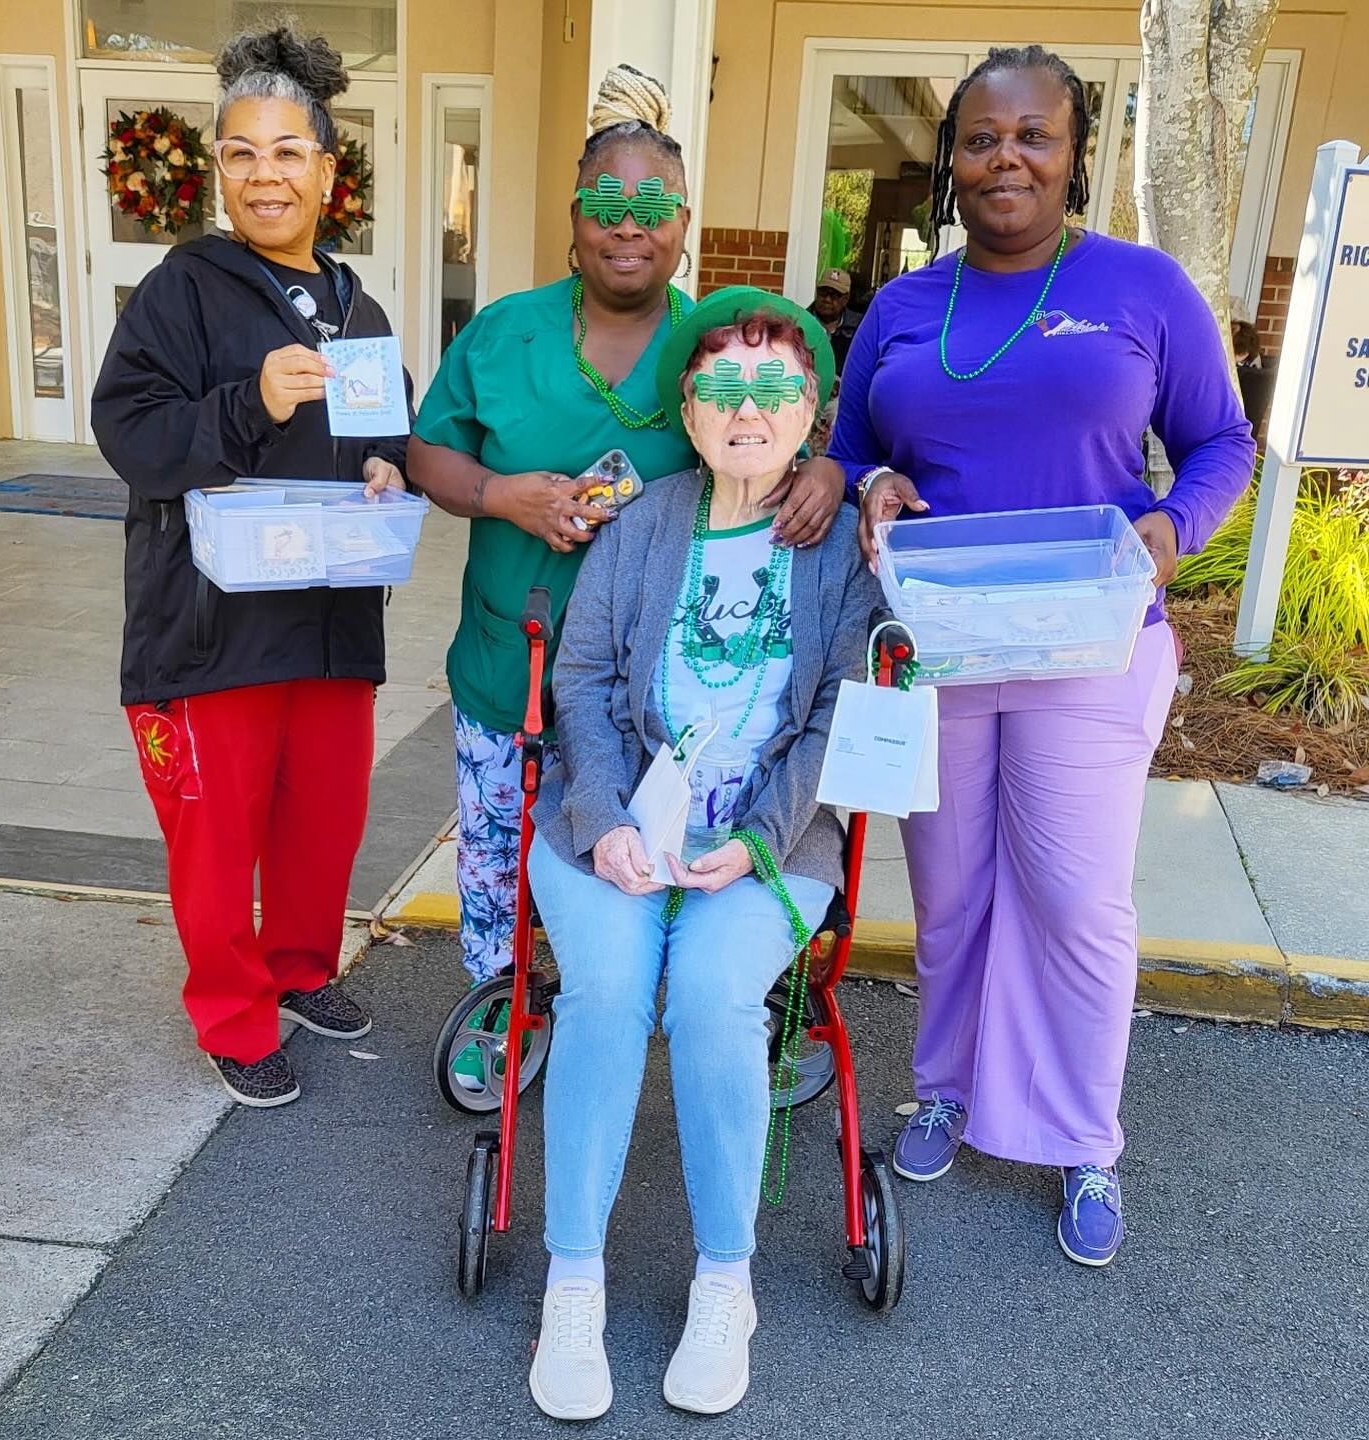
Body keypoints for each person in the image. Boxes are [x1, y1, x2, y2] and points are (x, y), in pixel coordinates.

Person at [830, 45, 1255, 1266]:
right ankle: (947, 1085)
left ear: (1074, 158)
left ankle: (1083, 1137)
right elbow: (850, 443)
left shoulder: (1142, 285)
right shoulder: (909, 306)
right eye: (980, 139)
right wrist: (870, 482)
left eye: (1033, 137)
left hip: (1092, 639)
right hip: (944, 640)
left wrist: (1171, 532)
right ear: (952, 163)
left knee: (1073, 897)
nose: (1004, 157)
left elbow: (1222, 441)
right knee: (953, 895)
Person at [406, 65, 849, 1019]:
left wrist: (830, 469)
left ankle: (649, 1008)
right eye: (606, 203)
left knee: (640, 862)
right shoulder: (503, 334)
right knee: (499, 857)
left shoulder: (716, 344)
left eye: (653, 206)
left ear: (685, 222)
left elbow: (786, 424)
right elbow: (425, 449)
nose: (628, 224)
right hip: (514, 664)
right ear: (573, 215)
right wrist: (498, 495)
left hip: (665, 690)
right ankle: (503, 1010)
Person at [522, 287, 875, 1421]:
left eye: (774, 387)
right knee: (611, 991)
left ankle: (728, 1279)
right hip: (611, 824)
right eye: (722, 386)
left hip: (763, 843)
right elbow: (577, 680)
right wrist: (606, 816)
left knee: (717, 998)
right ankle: (574, 1277)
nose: (747, 408)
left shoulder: (835, 550)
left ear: (813, 409)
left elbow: (837, 720)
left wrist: (760, 841)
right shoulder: (644, 520)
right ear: (687, 406)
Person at [91, 25, 412, 1108]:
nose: (264, 174)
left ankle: (301, 970)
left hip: (328, 619)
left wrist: (385, 465)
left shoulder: (355, 306)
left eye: (287, 153)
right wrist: (250, 401)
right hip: (213, 626)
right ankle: (233, 1015)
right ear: (217, 167)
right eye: (240, 153)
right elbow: (132, 434)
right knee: (220, 839)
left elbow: (387, 432)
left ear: (329, 170)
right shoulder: (179, 293)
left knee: (322, 821)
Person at [807, 266, 860, 374]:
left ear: (845, 299)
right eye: (823, 293)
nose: (827, 299)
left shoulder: (858, 328)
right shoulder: (802, 323)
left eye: (834, 295)